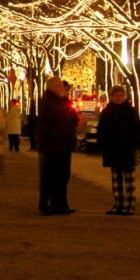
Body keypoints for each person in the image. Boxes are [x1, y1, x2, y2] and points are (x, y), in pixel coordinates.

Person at [96, 85, 140, 215]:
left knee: (129, 179)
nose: (119, 98)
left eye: (121, 95)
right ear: (112, 97)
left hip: (126, 148)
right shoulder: (107, 112)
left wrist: (134, 143)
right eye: (116, 95)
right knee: (116, 178)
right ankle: (118, 204)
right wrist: (103, 144)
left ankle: (129, 205)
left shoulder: (130, 111)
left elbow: (137, 129)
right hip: (113, 149)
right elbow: (101, 130)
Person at [38, 76, 79, 215]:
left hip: (63, 144)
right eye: (59, 86)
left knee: (63, 175)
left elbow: (72, 119)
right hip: (53, 145)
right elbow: (47, 123)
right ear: (52, 87)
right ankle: (50, 204)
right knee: (52, 176)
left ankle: (61, 203)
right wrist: (55, 134)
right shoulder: (48, 102)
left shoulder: (62, 101)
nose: (62, 88)